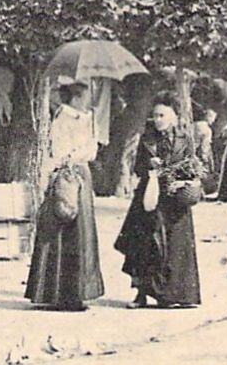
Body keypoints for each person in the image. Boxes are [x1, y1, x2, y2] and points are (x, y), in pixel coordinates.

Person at [115, 92, 202, 309]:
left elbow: (194, 169)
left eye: (163, 115)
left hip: (175, 200)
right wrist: (149, 165)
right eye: (155, 116)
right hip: (149, 197)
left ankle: (175, 295)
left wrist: (183, 183)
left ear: (174, 116)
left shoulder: (185, 140)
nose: (158, 120)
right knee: (145, 245)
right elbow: (137, 168)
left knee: (175, 246)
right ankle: (141, 294)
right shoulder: (147, 139)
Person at [25, 80, 104, 312]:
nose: (90, 100)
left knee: (82, 233)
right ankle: (60, 293)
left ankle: (76, 292)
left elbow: (92, 151)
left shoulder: (87, 119)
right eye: (87, 96)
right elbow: (61, 151)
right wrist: (79, 151)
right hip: (69, 175)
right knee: (66, 229)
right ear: (77, 98)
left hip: (81, 174)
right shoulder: (63, 119)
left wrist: (90, 138)